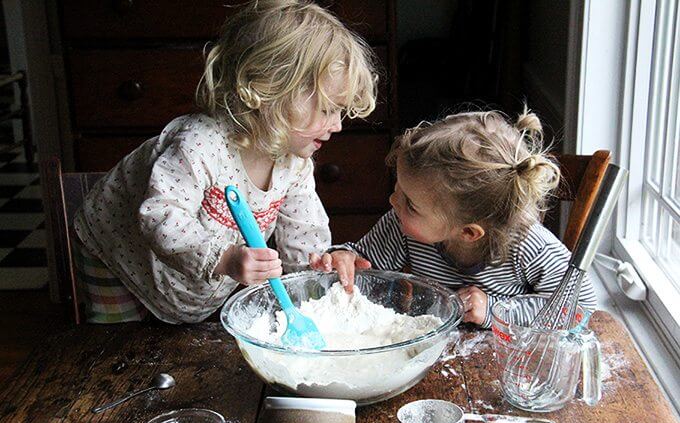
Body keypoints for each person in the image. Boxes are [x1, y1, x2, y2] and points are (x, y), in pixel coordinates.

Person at [73, 0, 377, 324]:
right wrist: (225, 258)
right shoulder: (200, 144)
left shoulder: (295, 163)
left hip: (184, 278)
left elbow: (304, 236)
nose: (338, 125)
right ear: (269, 91)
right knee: (117, 354)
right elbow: (160, 214)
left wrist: (321, 264)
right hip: (117, 254)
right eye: (329, 109)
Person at [310, 108, 597, 328]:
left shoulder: (529, 246)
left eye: (411, 204)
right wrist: (344, 259)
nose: (393, 201)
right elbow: (366, 267)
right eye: (398, 188)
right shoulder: (402, 226)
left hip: (503, 363)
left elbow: (580, 306)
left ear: (469, 232)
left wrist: (494, 309)